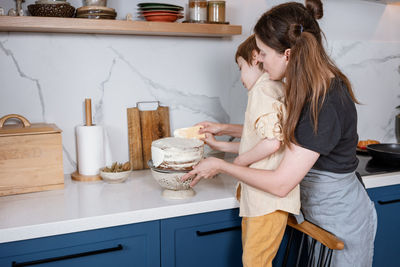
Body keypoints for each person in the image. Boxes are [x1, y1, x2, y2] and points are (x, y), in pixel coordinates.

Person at [183, 1, 377, 266]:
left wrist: (222, 165)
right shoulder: (307, 85)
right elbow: (289, 135)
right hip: (316, 212)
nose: (258, 59)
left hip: (341, 218)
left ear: (287, 54)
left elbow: (281, 182)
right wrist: (225, 129)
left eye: (262, 52)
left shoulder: (325, 102)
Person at [202, 34, 300, 267]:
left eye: (240, 67)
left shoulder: (261, 92)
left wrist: (238, 163)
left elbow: (271, 143)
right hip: (267, 201)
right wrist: (221, 145)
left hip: (265, 201)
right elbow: (262, 141)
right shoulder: (278, 88)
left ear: (255, 58)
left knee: (255, 262)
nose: (241, 76)